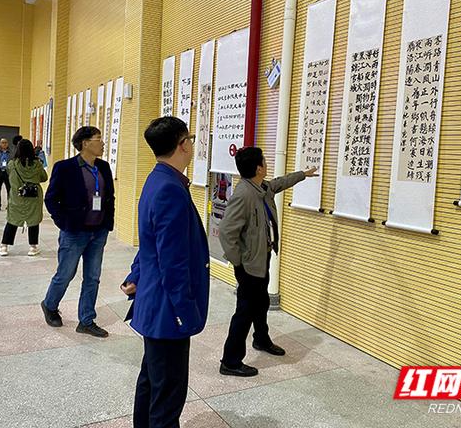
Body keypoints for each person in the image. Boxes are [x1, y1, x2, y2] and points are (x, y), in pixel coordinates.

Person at [121, 117, 209, 428]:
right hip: (167, 310)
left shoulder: (157, 179)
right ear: (183, 145)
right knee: (168, 396)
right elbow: (173, 261)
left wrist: (136, 274)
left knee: (152, 381)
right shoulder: (170, 188)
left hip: (156, 303)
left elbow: (151, 241)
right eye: (191, 139)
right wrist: (185, 312)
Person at [218, 147, 317, 377]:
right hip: (249, 265)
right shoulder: (244, 195)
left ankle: (261, 339)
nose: (266, 163)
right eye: (264, 160)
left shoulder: (261, 187)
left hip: (262, 259)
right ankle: (230, 361)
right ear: (258, 168)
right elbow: (226, 232)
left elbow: (279, 183)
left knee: (261, 302)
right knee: (244, 312)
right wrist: (239, 262)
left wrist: (303, 174)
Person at [42, 126, 114, 337]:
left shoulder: (103, 167)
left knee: (93, 277)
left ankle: (86, 320)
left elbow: (109, 197)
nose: (103, 143)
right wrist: (63, 222)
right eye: (98, 139)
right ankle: (49, 305)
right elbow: (51, 199)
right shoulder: (65, 168)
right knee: (66, 274)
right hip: (74, 231)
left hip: (98, 231)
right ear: (85, 143)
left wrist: (107, 223)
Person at [0, 139, 48, 257]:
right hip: (33, 197)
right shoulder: (37, 164)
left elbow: (9, 175)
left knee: (12, 220)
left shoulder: (12, 164)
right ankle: (33, 247)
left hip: (17, 197)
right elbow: (44, 178)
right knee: (33, 221)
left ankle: (4, 246)